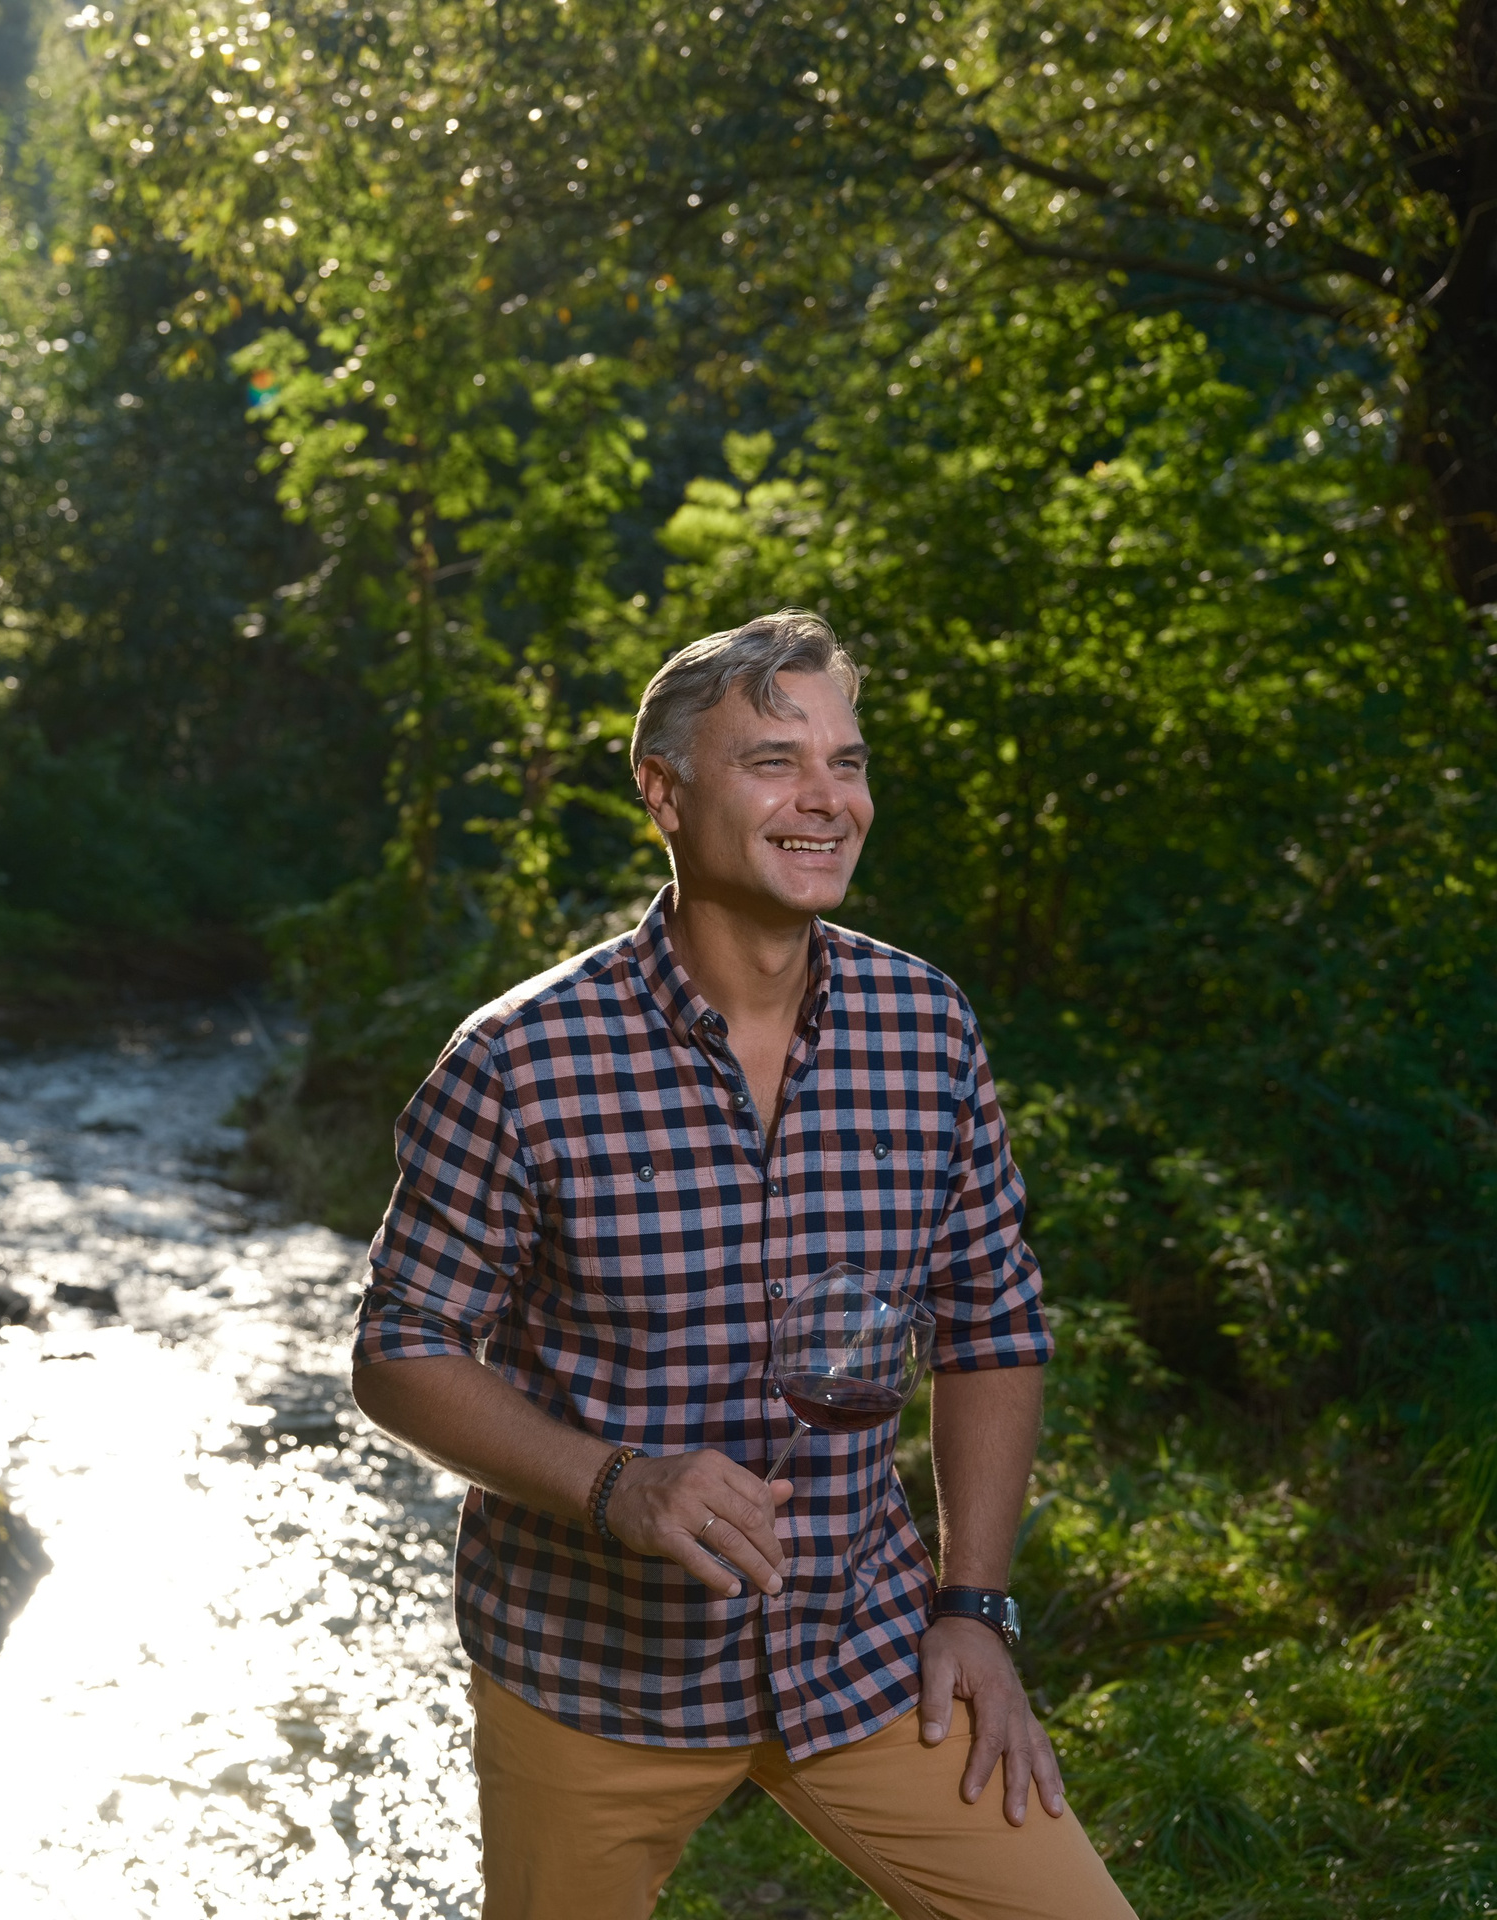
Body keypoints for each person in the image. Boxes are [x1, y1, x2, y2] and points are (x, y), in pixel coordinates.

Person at [349, 611, 1138, 1919]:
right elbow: (401, 1356)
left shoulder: (926, 1027)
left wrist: (976, 1607)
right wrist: (620, 1486)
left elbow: (992, 1324)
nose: (828, 798)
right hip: (591, 1675)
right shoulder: (518, 1061)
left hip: (866, 1653)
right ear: (663, 791)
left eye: (848, 760)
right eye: (777, 761)